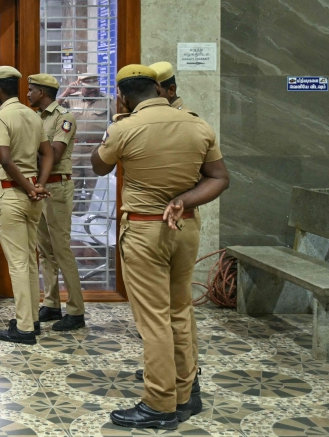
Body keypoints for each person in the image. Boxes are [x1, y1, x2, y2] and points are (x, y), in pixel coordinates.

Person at [91, 65, 228, 430]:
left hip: (145, 231)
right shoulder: (197, 124)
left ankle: (159, 404)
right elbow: (219, 178)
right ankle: (185, 396)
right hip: (184, 227)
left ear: (123, 96)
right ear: (159, 88)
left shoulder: (124, 127)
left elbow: (98, 166)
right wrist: (184, 199)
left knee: (153, 321)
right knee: (180, 311)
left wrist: (115, 124)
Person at [0, 67, 54, 345]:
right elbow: (48, 153)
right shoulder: (32, 114)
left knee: (18, 263)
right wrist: (38, 183)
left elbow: (4, 158)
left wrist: (28, 188)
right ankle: (32, 319)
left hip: (13, 193)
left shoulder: (1, 116)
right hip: (32, 195)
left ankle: (24, 328)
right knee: (29, 260)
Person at [27, 74, 85, 331]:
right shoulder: (36, 118)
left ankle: (76, 310)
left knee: (61, 248)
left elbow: (55, 153)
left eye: (31, 90)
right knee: (45, 250)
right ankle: (51, 303)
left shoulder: (64, 118)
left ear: (41, 91)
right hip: (39, 186)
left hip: (57, 186)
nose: (27, 94)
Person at [60, 74, 113, 214]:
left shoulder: (107, 100)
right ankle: (73, 221)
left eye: (94, 88)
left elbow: (119, 120)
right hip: (74, 149)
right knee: (72, 186)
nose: (92, 91)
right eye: (88, 89)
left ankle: (91, 222)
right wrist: (66, 92)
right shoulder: (72, 99)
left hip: (96, 150)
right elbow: (52, 108)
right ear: (81, 87)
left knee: (93, 187)